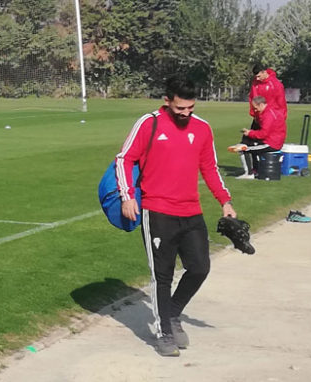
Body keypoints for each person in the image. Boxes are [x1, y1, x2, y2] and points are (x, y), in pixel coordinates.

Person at [115, 76, 236, 357]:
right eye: (180, 108)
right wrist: (127, 196)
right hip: (157, 211)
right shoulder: (149, 123)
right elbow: (124, 158)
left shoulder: (202, 129)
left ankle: (172, 312)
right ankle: (164, 332)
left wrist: (225, 201)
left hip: (191, 211)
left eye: (190, 108)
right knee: (162, 276)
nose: (185, 113)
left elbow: (210, 168)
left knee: (200, 268)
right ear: (167, 101)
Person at [237, 96, 287, 179]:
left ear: (261, 105)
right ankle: (255, 169)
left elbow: (263, 134)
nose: (255, 111)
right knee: (248, 142)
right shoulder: (271, 111)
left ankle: (249, 174)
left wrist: (250, 133)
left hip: (270, 143)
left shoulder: (268, 115)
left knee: (243, 148)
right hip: (274, 140)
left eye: (255, 108)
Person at [248, 64, 287, 128]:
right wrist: (254, 115)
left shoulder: (276, 84)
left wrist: (281, 118)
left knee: (266, 137)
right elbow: (252, 98)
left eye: (259, 76)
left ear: (264, 72)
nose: (257, 78)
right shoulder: (255, 83)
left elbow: (281, 103)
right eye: (256, 77)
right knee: (248, 137)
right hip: (258, 118)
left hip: (270, 118)